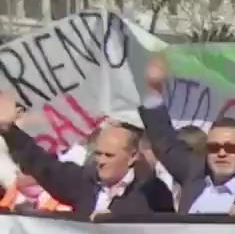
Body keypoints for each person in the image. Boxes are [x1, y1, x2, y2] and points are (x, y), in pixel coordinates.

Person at [141, 59, 235, 215]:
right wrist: (154, 91)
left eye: (231, 148)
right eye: (214, 147)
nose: (221, 153)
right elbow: (164, 142)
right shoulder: (194, 172)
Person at [0, 92, 173, 217]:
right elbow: (43, 166)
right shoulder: (83, 183)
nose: (101, 161)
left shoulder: (152, 193)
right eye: (98, 153)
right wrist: (10, 131)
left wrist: (117, 227)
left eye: (109, 155)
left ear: (133, 156)